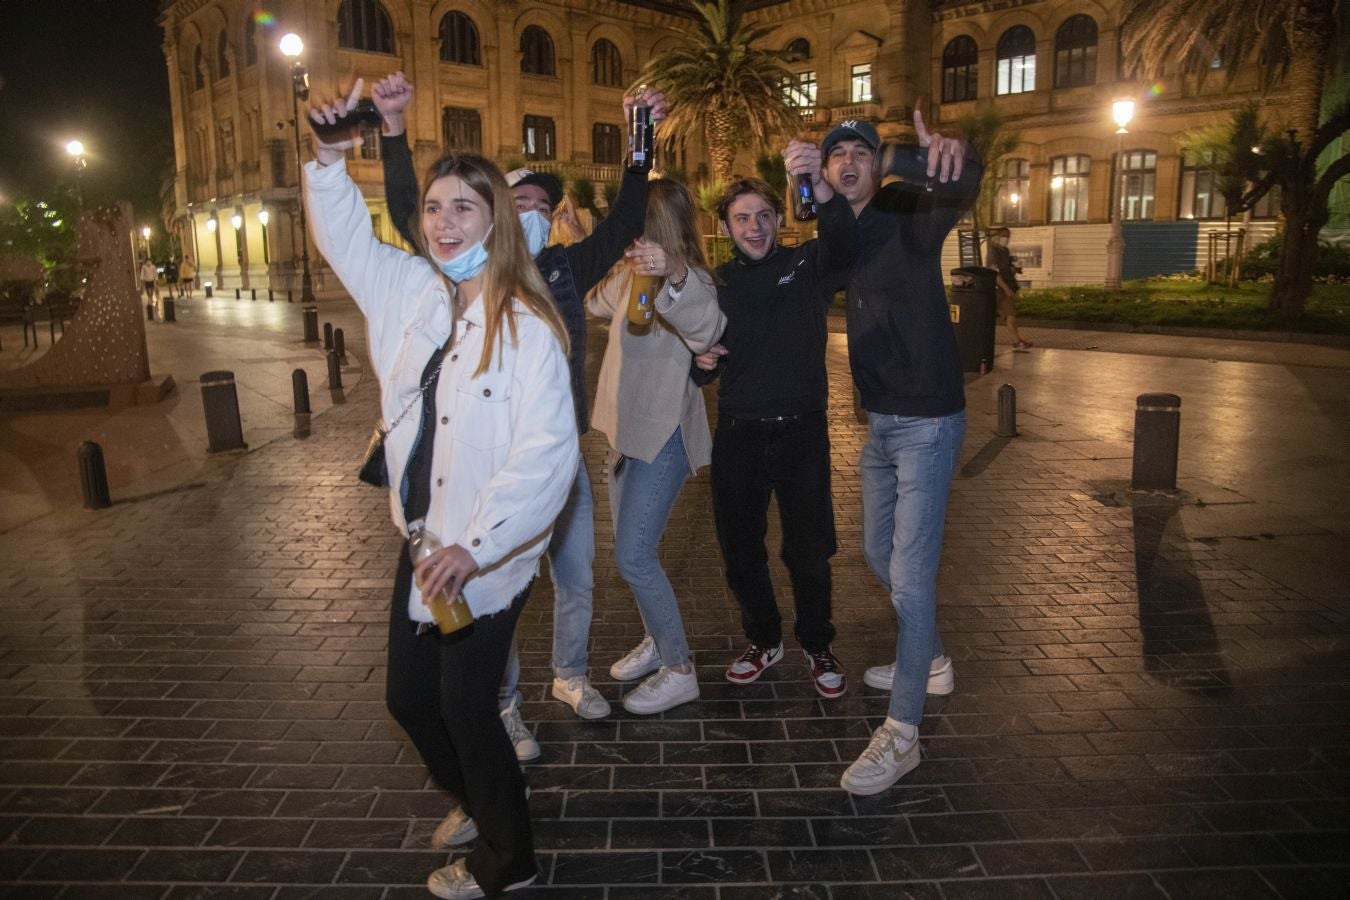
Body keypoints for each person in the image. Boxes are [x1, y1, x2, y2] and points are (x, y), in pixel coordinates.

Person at [304, 80, 579, 899]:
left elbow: (548, 457)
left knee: (465, 705)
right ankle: (481, 801)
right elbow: (344, 236)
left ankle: (508, 859)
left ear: (495, 220)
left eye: (463, 206)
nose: (443, 222)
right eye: (432, 207)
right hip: (424, 541)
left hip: (487, 556)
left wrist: (478, 546)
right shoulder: (407, 290)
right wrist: (328, 158)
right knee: (408, 700)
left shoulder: (526, 326)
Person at [376, 74, 666, 754]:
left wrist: (640, 141)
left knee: (576, 574)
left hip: (553, 458)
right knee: (492, 590)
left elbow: (626, 218)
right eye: (521, 202)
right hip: (480, 464)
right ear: (498, 213)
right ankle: (502, 707)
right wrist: (392, 134)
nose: (534, 212)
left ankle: (570, 674)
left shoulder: (563, 267)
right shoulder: (460, 277)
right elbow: (405, 211)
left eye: (543, 204)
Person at [805, 111, 981, 796]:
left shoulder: (908, 214)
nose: (848, 160)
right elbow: (825, 258)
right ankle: (928, 659)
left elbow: (961, 184)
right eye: (836, 154)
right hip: (879, 424)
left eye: (861, 151)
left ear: (876, 166)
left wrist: (934, 156)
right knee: (877, 556)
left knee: (908, 580)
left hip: (928, 422)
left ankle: (902, 734)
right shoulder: (844, 233)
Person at [691, 175, 856, 698]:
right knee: (740, 550)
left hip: (801, 432)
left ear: (780, 219)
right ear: (725, 227)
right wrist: (700, 360)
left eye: (764, 215)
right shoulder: (714, 285)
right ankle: (763, 639)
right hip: (738, 433)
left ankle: (817, 643)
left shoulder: (807, 264)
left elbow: (845, 242)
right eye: (742, 218)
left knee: (809, 550)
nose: (754, 227)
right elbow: (700, 369)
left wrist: (820, 189)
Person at [590, 178, 725, 715]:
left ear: (658, 224)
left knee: (633, 555)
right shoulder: (629, 277)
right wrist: (587, 242)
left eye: (634, 223)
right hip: (623, 436)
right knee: (632, 557)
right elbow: (590, 301)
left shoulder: (694, 282)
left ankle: (679, 668)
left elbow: (707, 329)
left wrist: (673, 271)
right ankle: (656, 639)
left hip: (663, 435)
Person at [987, 227, 1031, 349]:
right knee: (1011, 315)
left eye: (1008, 236)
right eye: (1004, 235)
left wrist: (1014, 269)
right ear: (998, 237)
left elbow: (1006, 269)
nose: (1006, 238)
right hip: (1001, 289)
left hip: (1006, 288)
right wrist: (1006, 289)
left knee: (1009, 315)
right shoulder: (993, 251)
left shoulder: (1005, 251)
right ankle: (1018, 341)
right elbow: (994, 272)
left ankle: (1018, 341)